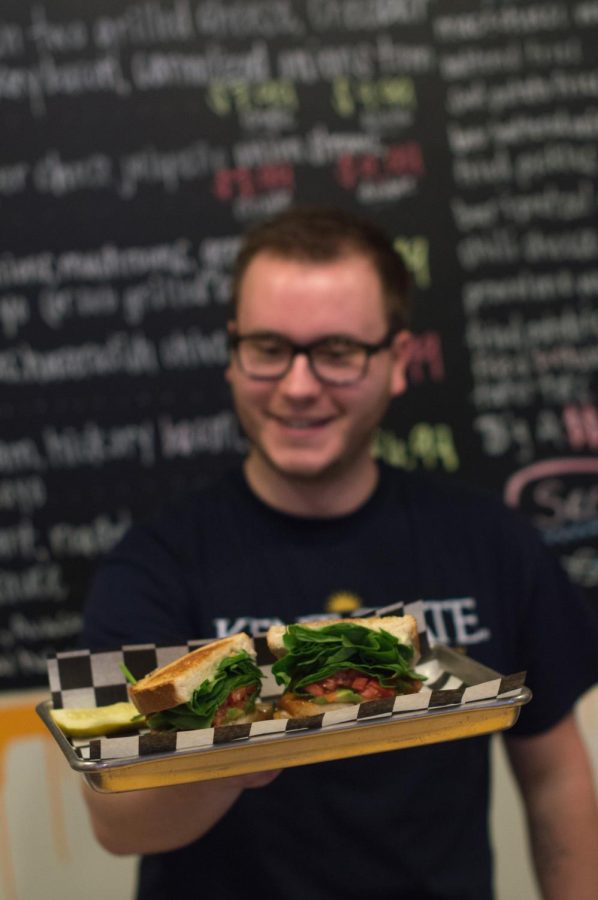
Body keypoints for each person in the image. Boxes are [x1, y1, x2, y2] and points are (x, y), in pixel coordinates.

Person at [82, 206, 598, 900]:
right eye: (269, 348)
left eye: (337, 352)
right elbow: (118, 822)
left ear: (397, 362)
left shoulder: (491, 542)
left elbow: (554, 774)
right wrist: (245, 739)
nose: (298, 386)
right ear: (233, 356)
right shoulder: (154, 565)